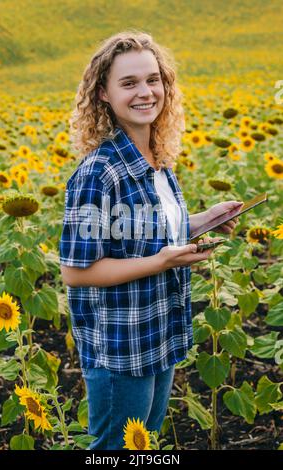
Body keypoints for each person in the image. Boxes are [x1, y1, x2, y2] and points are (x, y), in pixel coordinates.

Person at [59, 30, 240, 450]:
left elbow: (145, 238)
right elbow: (76, 271)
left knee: (145, 448)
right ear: (102, 94)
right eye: (129, 83)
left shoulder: (156, 162)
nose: (146, 92)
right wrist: (162, 262)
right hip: (120, 347)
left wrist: (201, 223)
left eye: (153, 79)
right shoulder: (98, 173)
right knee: (115, 451)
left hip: (158, 332)